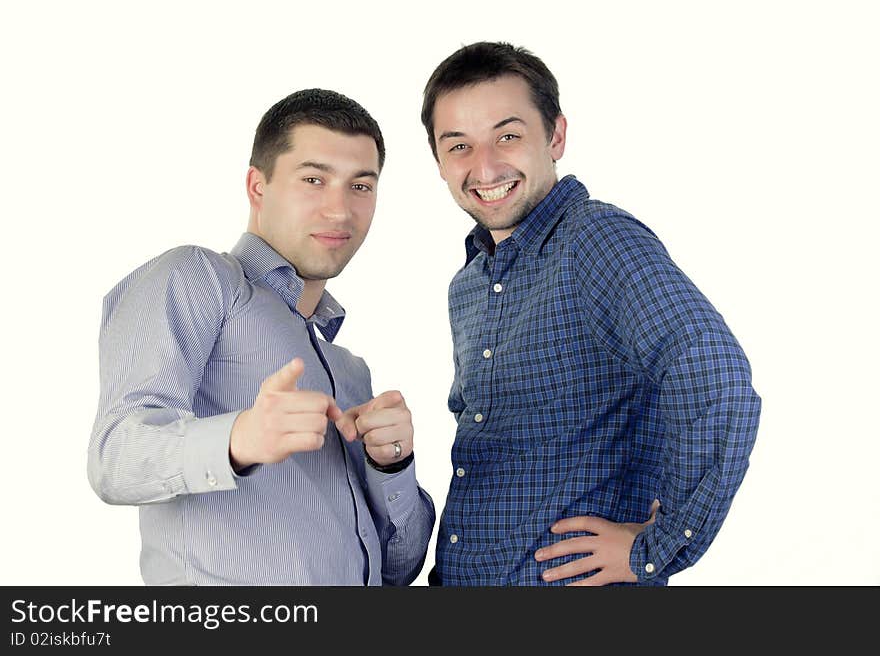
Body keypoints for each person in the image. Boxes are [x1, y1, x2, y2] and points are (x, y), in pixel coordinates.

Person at [421, 42, 761, 586]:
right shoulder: (468, 285)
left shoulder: (595, 240)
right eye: (458, 145)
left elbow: (710, 370)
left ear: (555, 136)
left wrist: (657, 548)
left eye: (508, 135)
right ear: (438, 161)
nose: (483, 167)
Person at [89, 89, 434, 585]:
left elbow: (398, 571)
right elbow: (114, 457)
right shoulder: (198, 276)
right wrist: (237, 439)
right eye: (313, 179)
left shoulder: (350, 372)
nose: (339, 211)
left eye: (360, 186)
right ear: (258, 187)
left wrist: (391, 467)